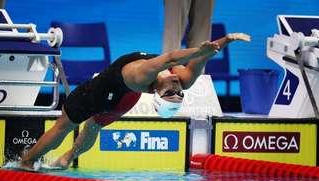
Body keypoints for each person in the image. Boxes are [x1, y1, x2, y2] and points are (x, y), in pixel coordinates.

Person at [20, 33, 250, 170]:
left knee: (76, 126)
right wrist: (227, 40)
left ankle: (43, 160)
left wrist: (199, 50)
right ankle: (47, 160)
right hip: (115, 94)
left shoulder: (145, 74)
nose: (176, 85)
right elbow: (204, 54)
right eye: (178, 90)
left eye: (171, 90)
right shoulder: (183, 80)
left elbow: (174, 56)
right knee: (79, 127)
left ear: (159, 92)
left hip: (109, 95)